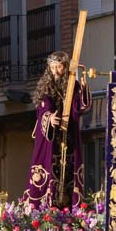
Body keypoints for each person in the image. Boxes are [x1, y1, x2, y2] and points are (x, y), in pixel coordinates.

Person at [23, 51, 91, 209]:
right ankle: (44, 208)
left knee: (68, 175)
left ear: (65, 67)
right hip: (51, 140)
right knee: (49, 177)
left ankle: (70, 208)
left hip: (69, 137)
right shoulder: (46, 87)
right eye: (52, 67)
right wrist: (49, 118)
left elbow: (80, 107)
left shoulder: (73, 85)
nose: (55, 71)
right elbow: (43, 109)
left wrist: (84, 89)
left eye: (58, 67)